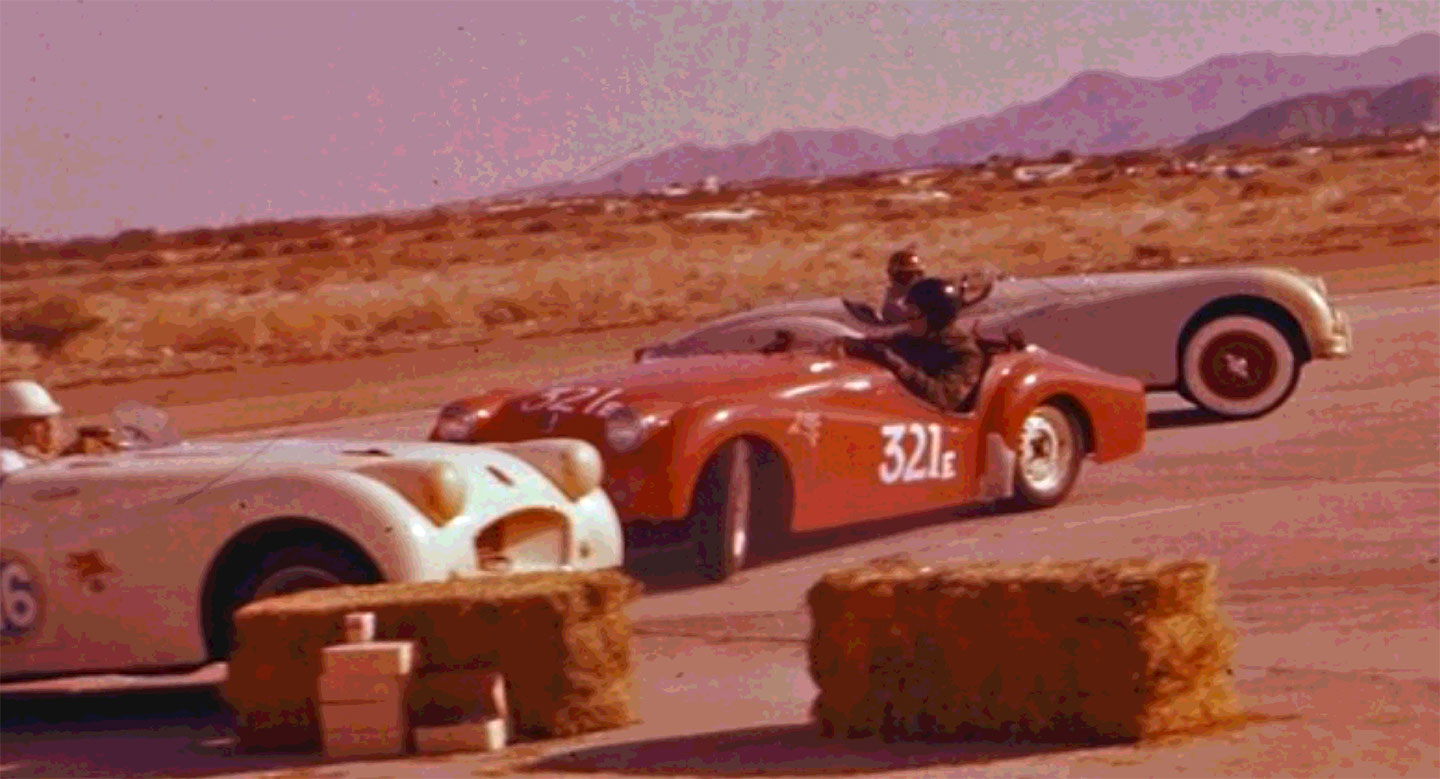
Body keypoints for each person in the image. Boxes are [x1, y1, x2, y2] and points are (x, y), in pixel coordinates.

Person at [832, 277, 988, 412]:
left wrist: (897, 365)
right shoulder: (912, 338)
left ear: (935, 318)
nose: (908, 321)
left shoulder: (964, 354)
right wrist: (848, 344)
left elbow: (945, 398)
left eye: (913, 315)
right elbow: (879, 346)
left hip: (940, 424)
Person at [1, 380, 65, 475]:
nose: (50, 427)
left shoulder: (30, 459)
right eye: (38, 421)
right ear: (9, 428)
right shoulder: (7, 463)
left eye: (51, 419)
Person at [879, 247, 926, 323]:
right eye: (909, 275)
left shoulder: (923, 295)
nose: (916, 278)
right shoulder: (894, 305)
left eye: (918, 274)